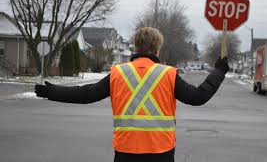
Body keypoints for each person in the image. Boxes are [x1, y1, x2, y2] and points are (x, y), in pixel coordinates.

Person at [35, 27, 229, 162]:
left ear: (135, 47)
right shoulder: (168, 74)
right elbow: (198, 97)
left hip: (126, 151)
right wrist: (218, 71)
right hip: (160, 152)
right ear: (157, 48)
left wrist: (52, 91)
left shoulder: (118, 73)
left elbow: (86, 94)